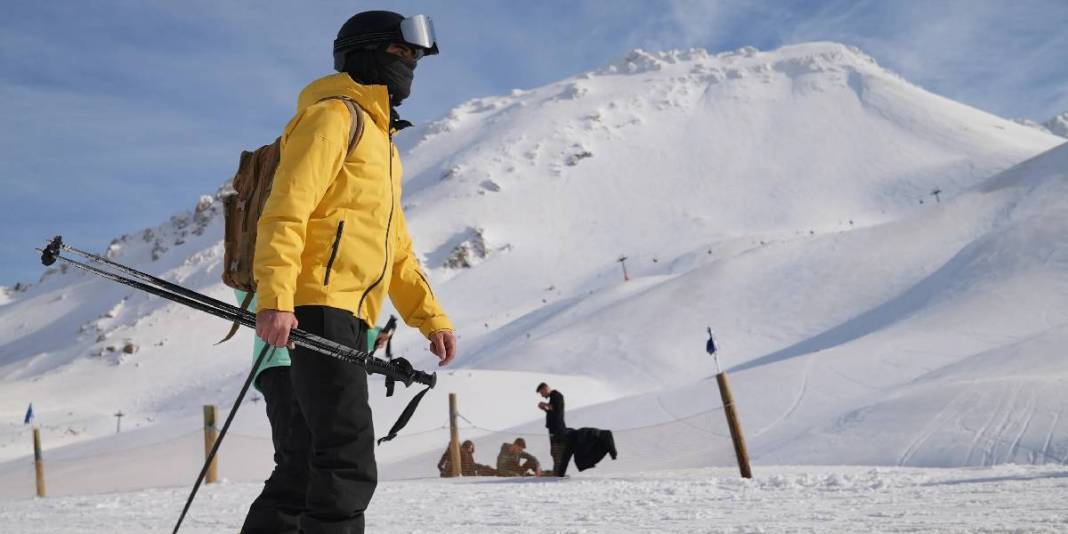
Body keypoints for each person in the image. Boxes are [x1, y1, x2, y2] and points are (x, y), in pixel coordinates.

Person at [248, 10, 456, 534]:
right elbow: (286, 209)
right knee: (346, 459)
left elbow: (397, 250)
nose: (409, 65)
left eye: (414, 58)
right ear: (363, 53)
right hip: (316, 304)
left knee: (306, 462)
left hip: (347, 313)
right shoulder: (333, 118)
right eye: (400, 53)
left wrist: (431, 319)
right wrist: (275, 297)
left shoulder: (383, 146)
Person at [237, 290, 390, 532]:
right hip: (284, 359)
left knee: (312, 464)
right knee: (300, 463)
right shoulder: (272, 256)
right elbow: (264, 288)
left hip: (308, 355)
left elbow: (324, 311)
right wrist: (279, 308)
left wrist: (370, 335)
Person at [537, 382, 572, 477]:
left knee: (557, 451)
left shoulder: (556, 395)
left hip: (557, 429)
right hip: (555, 429)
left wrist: (544, 404)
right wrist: (545, 408)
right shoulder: (553, 397)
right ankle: (557, 471)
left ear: (545, 389)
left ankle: (559, 472)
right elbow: (553, 412)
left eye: (542, 393)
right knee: (554, 451)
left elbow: (555, 409)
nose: (542, 395)